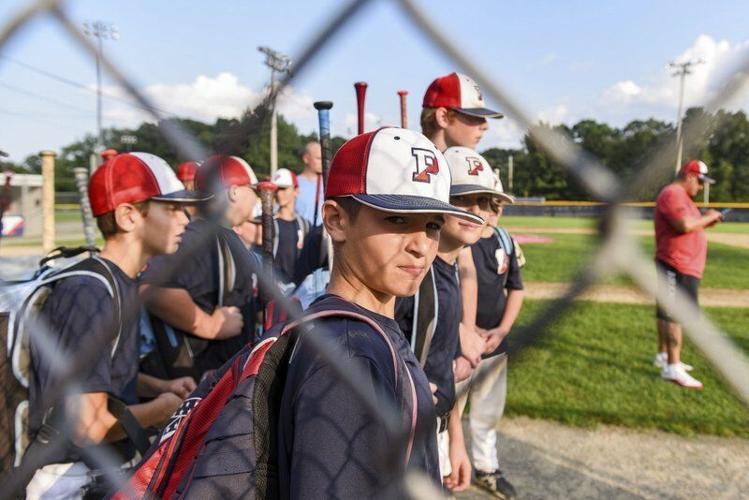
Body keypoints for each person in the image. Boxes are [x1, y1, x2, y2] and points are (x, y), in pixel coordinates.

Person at [278, 127, 485, 496]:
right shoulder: (348, 354)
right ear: (336, 220)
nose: (422, 246)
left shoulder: (369, 328)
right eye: (397, 220)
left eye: (433, 225)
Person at [25, 152, 207, 497]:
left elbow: (99, 376)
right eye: (170, 209)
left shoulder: (120, 281)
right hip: (69, 481)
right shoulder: (89, 293)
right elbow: (87, 426)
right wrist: (161, 411)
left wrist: (160, 387)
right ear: (128, 216)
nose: (185, 219)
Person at [140, 155, 260, 381]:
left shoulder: (221, 234)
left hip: (223, 379)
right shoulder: (200, 237)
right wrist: (210, 325)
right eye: (253, 190)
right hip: (200, 383)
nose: (257, 199)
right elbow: (150, 287)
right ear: (234, 192)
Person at [452, 150, 524, 499]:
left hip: (494, 341)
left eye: (494, 205)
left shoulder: (504, 240)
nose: (489, 212)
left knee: (488, 410)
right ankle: (446, 468)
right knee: (450, 408)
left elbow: (517, 289)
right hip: (459, 341)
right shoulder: (458, 240)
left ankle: (486, 465)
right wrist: (466, 329)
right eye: (481, 203)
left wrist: (503, 330)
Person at [654, 159, 723, 389]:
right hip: (677, 264)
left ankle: (666, 357)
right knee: (675, 315)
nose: (701, 187)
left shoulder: (682, 197)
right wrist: (709, 217)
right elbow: (683, 225)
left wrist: (705, 222)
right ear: (690, 175)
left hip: (683, 265)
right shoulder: (673, 193)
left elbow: (690, 224)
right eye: (700, 182)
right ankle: (672, 367)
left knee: (670, 314)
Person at [271, 168, 309, 284]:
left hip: (300, 290)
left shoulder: (305, 225)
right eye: (276, 189)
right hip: (274, 291)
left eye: (283, 189)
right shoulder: (267, 223)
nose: (278, 193)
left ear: (296, 190)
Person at [294, 141, 323, 226]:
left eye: (323, 158)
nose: (323, 162)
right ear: (306, 159)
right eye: (318, 158)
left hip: (325, 236)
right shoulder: (294, 183)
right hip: (302, 235)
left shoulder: (329, 183)